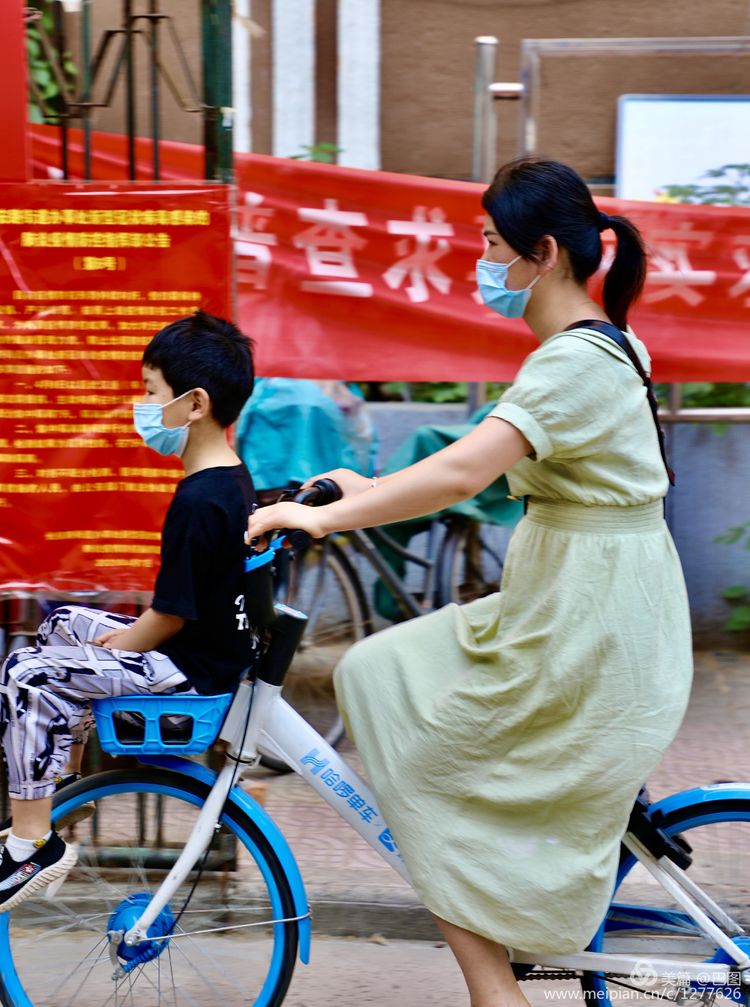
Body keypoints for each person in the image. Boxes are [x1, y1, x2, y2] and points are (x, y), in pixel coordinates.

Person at [246, 158, 693, 1007]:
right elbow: (484, 466)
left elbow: (463, 475)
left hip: (588, 618)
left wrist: (322, 519)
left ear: (545, 253)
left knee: (407, 726)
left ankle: (497, 991)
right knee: (389, 688)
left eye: (491, 244)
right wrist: (365, 490)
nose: (480, 262)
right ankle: (501, 961)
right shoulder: (599, 344)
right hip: (578, 597)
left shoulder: (575, 364)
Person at [0, 311, 256, 912]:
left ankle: (33, 843)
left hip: (187, 670)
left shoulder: (199, 499)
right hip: (204, 653)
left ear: (194, 405)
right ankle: (55, 784)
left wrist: (115, 650)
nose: (142, 407)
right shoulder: (228, 479)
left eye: (150, 393)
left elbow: (166, 617)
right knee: (62, 624)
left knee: (25, 674)